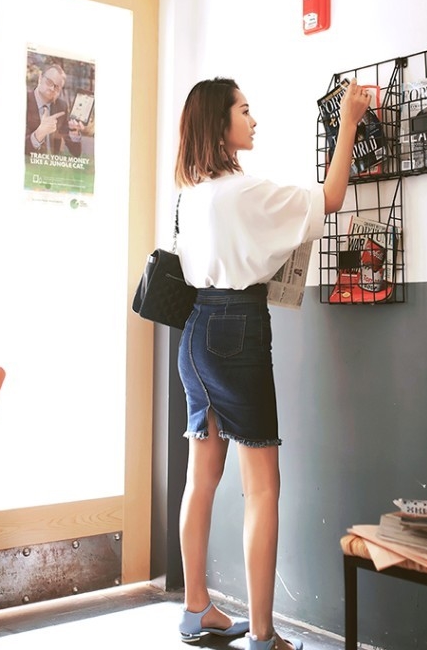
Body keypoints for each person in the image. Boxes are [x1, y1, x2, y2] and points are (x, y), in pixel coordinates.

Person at [173, 76, 371, 650]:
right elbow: (330, 198)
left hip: (194, 330)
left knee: (200, 479)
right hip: (237, 329)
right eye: (244, 110)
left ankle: (195, 610)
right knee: (262, 489)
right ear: (220, 124)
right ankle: (263, 635)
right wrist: (349, 123)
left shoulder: (190, 194)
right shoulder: (245, 191)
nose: (253, 119)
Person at [25, 63, 83, 157]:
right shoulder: (23, 101)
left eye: (57, 87)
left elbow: (76, 153)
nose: (52, 88)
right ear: (40, 78)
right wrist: (39, 133)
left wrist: (74, 132)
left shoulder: (61, 107)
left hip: (52, 164)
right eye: (49, 82)